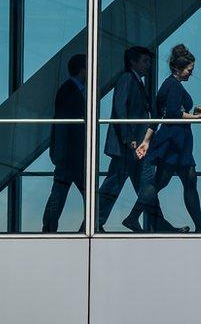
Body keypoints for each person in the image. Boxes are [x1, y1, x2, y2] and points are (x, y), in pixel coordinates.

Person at [124, 44, 201, 233]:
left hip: (175, 141)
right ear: (178, 69)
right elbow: (173, 114)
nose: (191, 73)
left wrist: (147, 141)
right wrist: (198, 117)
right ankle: (133, 217)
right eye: (189, 70)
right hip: (174, 141)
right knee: (162, 181)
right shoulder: (173, 86)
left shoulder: (168, 84)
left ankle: (199, 223)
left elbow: (158, 117)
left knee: (187, 180)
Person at [96, 46, 182, 233]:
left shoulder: (137, 82)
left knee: (146, 187)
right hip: (127, 146)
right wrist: (129, 138)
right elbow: (120, 110)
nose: (148, 65)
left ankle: (157, 224)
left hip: (136, 146)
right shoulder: (127, 79)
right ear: (133, 62)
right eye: (145, 61)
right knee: (115, 184)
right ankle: (93, 223)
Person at [42, 54, 87, 232]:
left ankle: (49, 227)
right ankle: (93, 227)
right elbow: (62, 125)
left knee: (60, 192)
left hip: (72, 155)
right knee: (68, 192)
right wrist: (60, 155)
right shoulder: (68, 91)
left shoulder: (76, 89)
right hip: (70, 155)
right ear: (82, 69)